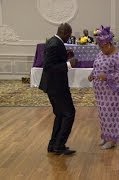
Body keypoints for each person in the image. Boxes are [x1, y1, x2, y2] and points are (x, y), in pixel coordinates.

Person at [88, 26, 119, 149]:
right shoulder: (101, 53)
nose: (101, 49)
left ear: (109, 45)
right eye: (100, 47)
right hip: (101, 94)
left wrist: (107, 77)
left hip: (114, 93)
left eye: (103, 47)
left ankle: (112, 140)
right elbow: (97, 67)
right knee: (103, 115)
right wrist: (92, 74)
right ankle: (106, 136)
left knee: (112, 115)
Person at [39, 23, 77, 155]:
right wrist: (68, 64)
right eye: (69, 35)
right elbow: (49, 67)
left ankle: (53, 144)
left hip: (54, 86)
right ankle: (59, 145)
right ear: (65, 33)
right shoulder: (55, 44)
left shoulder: (54, 41)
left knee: (61, 114)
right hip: (57, 87)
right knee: (69, 113)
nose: (69, 37)